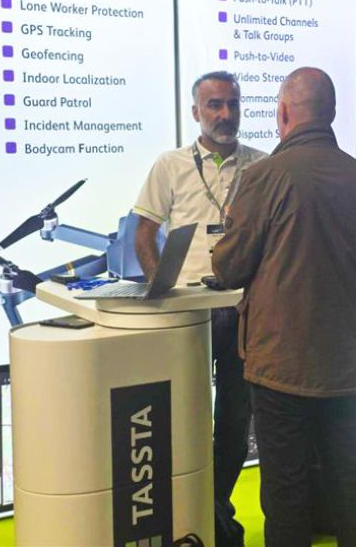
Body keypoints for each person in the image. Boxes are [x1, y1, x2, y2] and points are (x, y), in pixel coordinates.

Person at [212, 67, 356, 547]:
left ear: (284, 113)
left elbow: (229, 268)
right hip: (350, 365)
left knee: (286, 495)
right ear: (332, 113)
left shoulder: (264, 177)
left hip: (281, 366)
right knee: (353, 491)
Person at [133, 70, 265, 547]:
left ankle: (214, 508)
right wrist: (162, 289)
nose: (225, 114)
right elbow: (143, 234)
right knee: (185, 414)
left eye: (232, 103)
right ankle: (194, 512)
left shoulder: (261, 166)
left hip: (242, 306)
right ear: (195, 112)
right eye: (214, 105)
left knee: (235, 415)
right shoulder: (170, 165)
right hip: (189, 311)